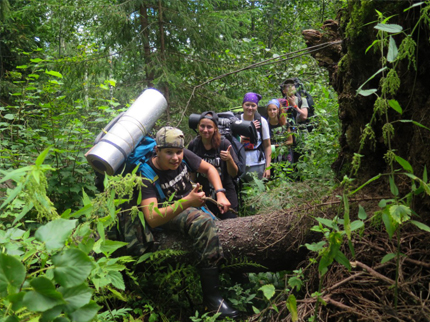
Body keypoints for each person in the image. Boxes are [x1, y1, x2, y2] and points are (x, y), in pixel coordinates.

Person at [139, 126, 238, 318]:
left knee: (222, 229)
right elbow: (151, 217)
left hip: (191, 204)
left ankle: (235, 277)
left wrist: (220, 193)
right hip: (169, 211)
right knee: (203, 224)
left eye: (178, 152)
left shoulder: (183, 155)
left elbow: (209, 168)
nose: (176, 158)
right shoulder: (146, 173)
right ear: (157, 151)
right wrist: (187, 202)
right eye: (169, 153)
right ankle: (212, 299)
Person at [188, 111, 239, 220]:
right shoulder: (194, 145)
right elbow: (191, 172)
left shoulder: (224, 144)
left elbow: (234, 173)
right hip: (204, 194)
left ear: (215, 128)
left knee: (230, 223)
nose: (205, 130)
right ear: (198, 126)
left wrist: (229, 159)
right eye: (202, 126)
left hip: (226, 191)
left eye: (209, 127)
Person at [240, 92, 271, 181]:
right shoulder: (236, 120)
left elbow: (267, 145)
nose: (250, 108)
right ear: (242, 105)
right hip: (239, 163)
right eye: (247, 105)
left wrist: (268, 168)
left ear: (256, 107)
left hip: (257, 163)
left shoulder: (262, 121)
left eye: (253, 105)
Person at [266, 99, 294, 165]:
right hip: (271, 156)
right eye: (270, 110)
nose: (272, 112)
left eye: (274, 109)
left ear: (278, 110)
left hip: (285, 155)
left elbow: (290, 141)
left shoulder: (284, 124)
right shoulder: (265, 125)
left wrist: (276, 146)